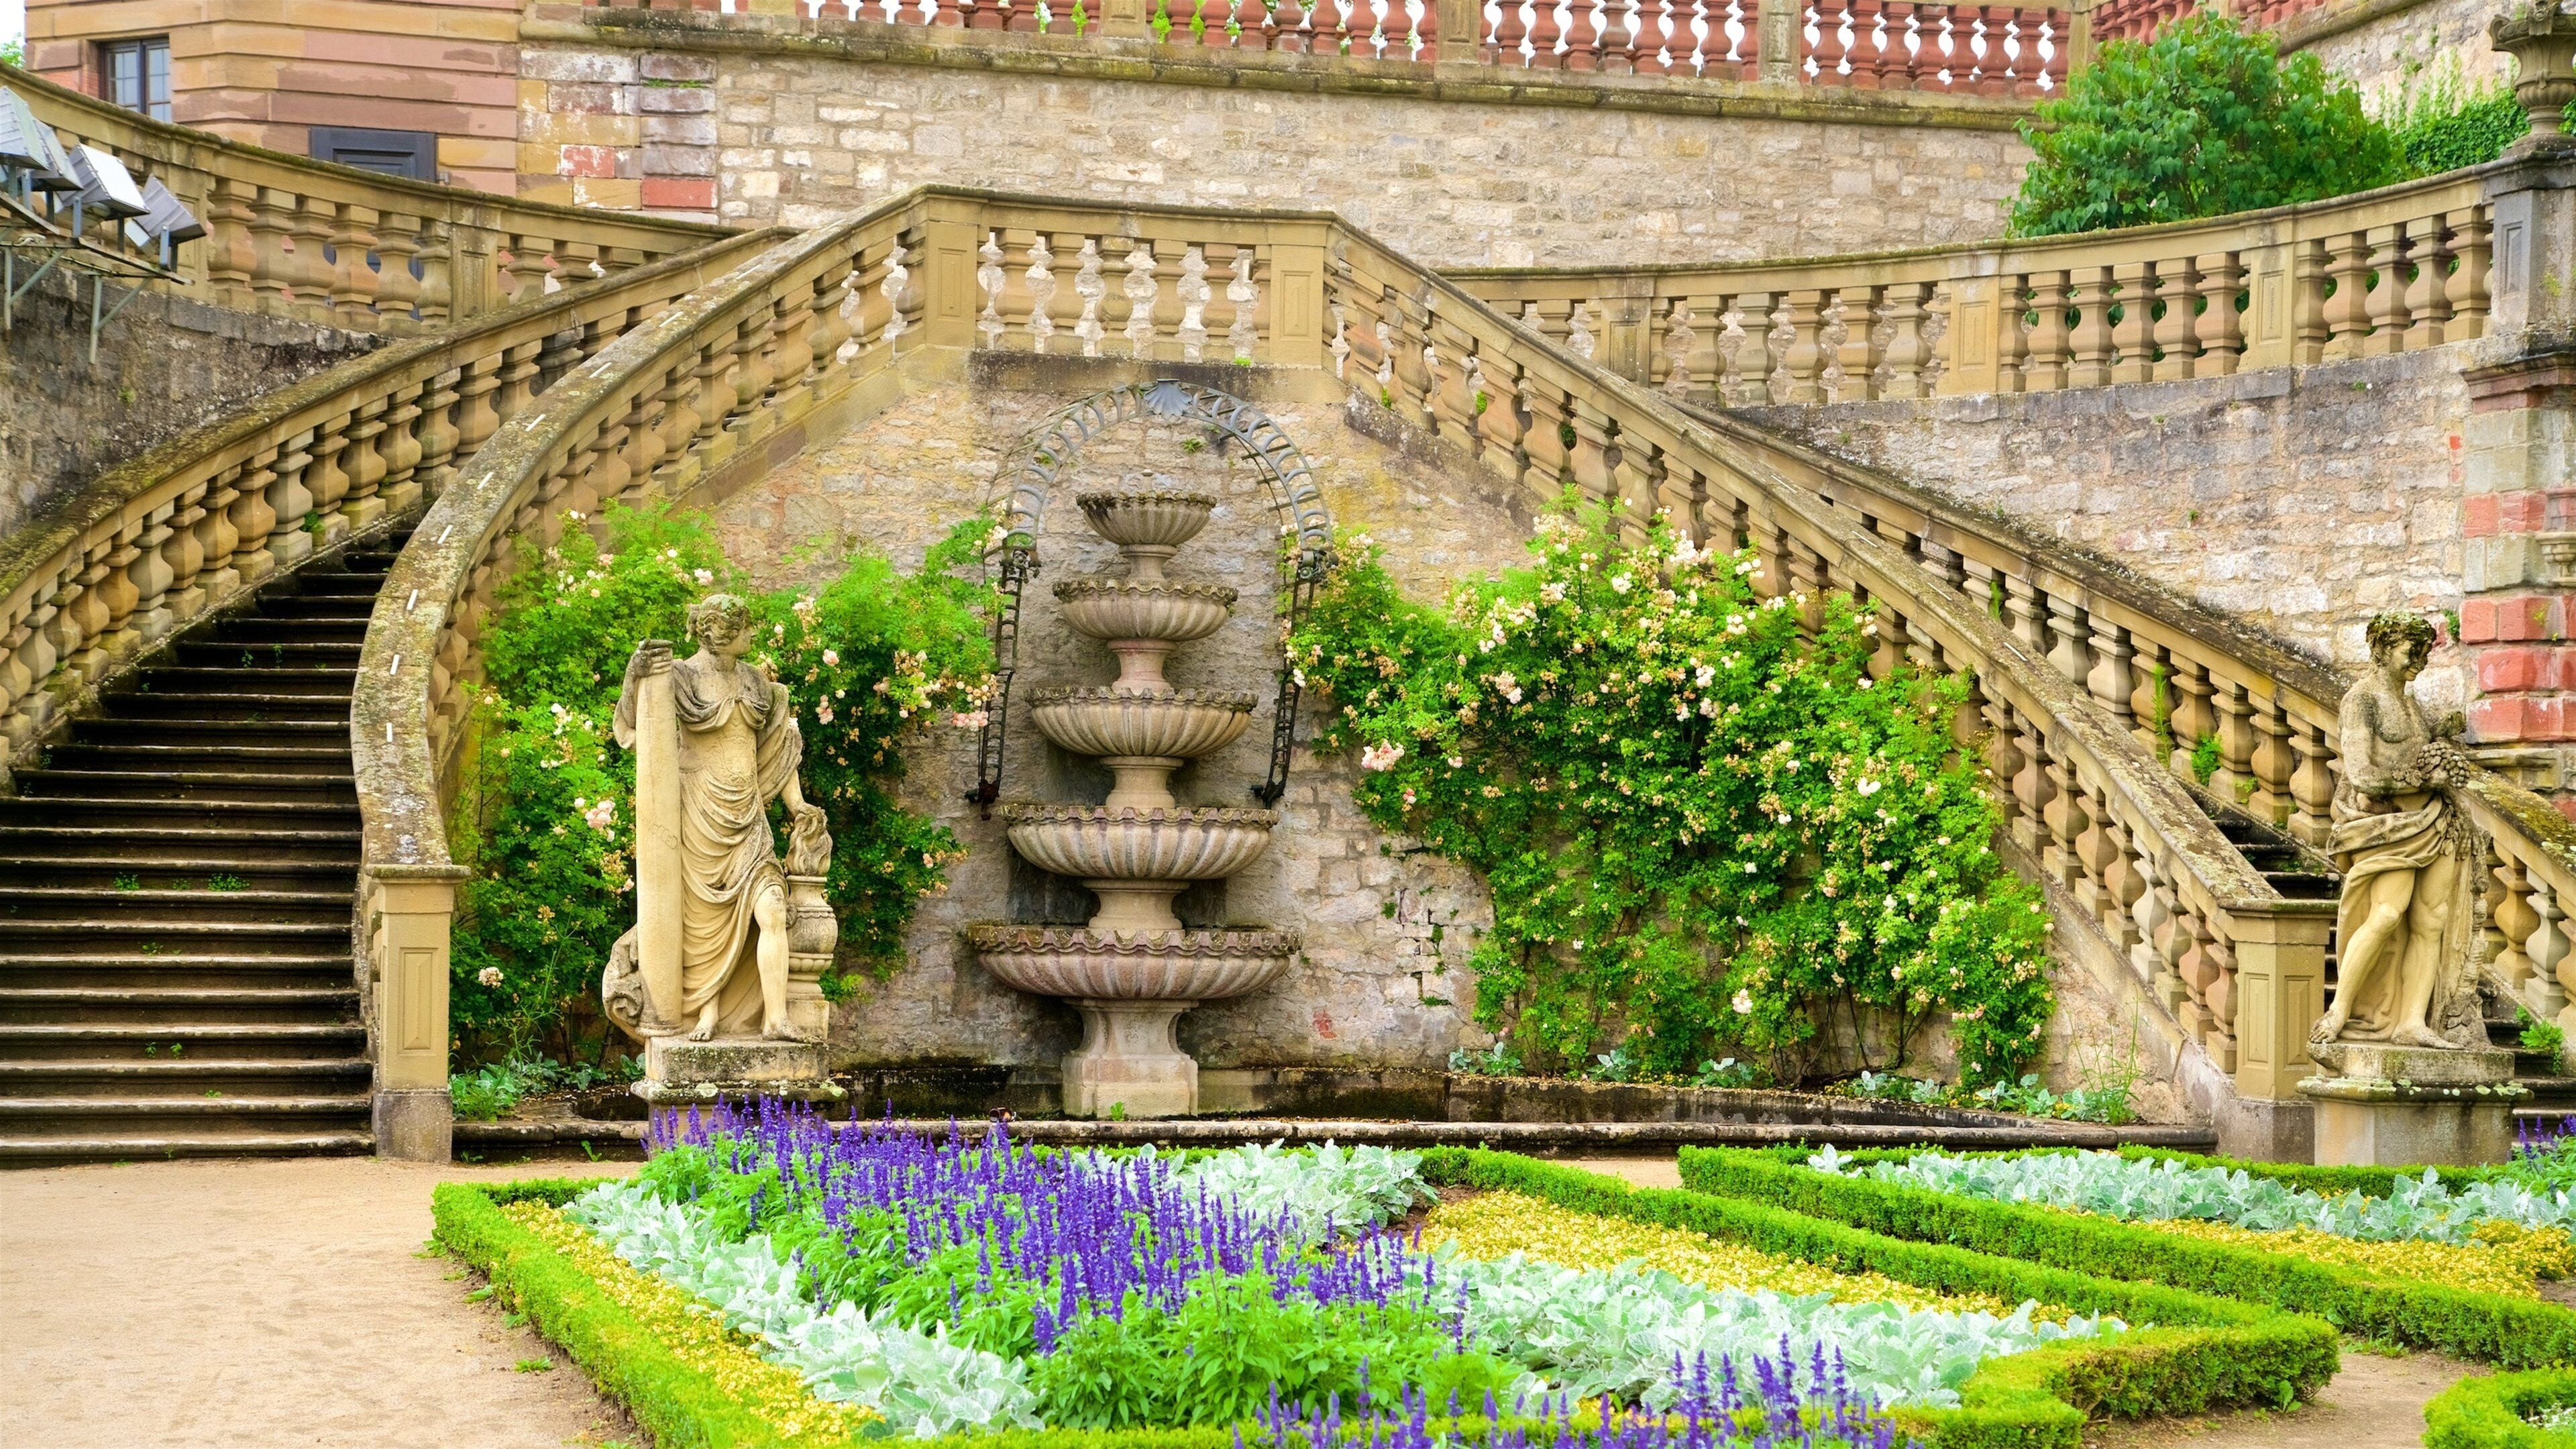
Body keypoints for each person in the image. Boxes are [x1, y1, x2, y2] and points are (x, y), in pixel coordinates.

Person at [613, 593, 826, 1042]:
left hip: (748, 817)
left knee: (772, 910)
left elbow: (777, 751)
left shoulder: (756, 682)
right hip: (699, 816)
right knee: (702, 926)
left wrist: (797, 805)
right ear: (720, 632)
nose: (752, 634)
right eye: (745, 626)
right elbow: (635, 720)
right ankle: (706, 1012)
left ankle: (776, 1019)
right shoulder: (681, 675)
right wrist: (636, 672)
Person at [2311, 611, 2476, 1051]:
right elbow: (2362, 774)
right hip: (2389, 826)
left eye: (2425, 653)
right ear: (2382, 649)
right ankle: (2340, 1009)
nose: (2419, 661)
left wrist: (2442, 734)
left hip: (2432, 822)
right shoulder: (2361, 701)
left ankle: (2411, 1022)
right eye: (2411, 652)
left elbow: (2411, 751)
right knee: (2386, 915)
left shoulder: (2410, 703)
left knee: (2431, 922)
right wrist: (2423, 779)